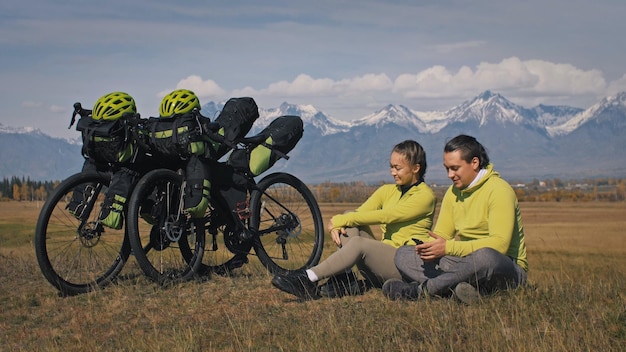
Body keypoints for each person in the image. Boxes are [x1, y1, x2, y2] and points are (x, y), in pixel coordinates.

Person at [271, 140, 437, 300]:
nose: (392, 172)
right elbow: (358, 214)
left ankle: (307, 278)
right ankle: (344, 278)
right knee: (350, 217)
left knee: (356, 237)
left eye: (398, 168)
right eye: (391, 167)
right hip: (381, 261)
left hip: (403, 267)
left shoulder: (425, 196)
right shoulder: (387, 191)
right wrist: (342, 221)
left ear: (416, 168)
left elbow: (388, 215)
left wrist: (340, 220)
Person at [383, 134, 528, 304]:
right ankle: (459, 290)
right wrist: (427, 248)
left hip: (504, 269)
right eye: (447, 169)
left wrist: (448, 248)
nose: (450, 175)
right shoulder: (453, 193)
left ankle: (422, 291)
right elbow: (441, 234)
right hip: (465, 264)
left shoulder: (499, 191)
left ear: (474, 163)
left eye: (455, 168)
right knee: (404, 254)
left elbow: (499, 246)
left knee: (485, 257)